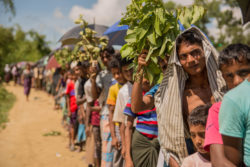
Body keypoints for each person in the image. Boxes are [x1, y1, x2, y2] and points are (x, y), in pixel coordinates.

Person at [132, 27, 226, 166]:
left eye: (195, 53)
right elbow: (137, 107)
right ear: (178, 61)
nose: (191, 60)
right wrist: (140, 71)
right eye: (184, 56)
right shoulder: (172, 92)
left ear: (204, 52)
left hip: (227, 153)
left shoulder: (223, 83)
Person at [203, 44, 250, 167]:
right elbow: (220, 162)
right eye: (229, 76)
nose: (237, 81)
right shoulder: (217, 110)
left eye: (244, 73)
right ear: (223, 77)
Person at [124, 77, 160, 167]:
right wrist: (128, 158)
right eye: (143, 76)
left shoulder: (163, 95)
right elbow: (128, 127)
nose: (147, 80)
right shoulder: (134, 100)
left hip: (160, 145)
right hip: (140, 145)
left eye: (149, 75)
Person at [90, 46, 115, 167]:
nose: (105, 60)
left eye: (107, 56)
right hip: (106, 114)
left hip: (121, 114)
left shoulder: (121, 72)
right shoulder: (101, 75)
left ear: (113, 56)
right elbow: (96, 95)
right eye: (102, 57)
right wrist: (93, 80)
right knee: (106, 147)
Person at [112, 58, 133, 166]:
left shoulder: (147, 86)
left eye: (131, 69)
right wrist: (124, 146)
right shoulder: (122, 92)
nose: (129, 73)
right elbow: (121, 122)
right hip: (129, 134)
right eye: (125, 71)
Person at [106, 57, 127, 167]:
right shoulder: (113, 89)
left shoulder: (132, 86)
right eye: (114, 74)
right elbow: (111, 113)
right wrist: (113, 136)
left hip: (130, 128)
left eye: (119, 73)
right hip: (119, 129)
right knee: (118, 158)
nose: (117, 76)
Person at [85, 62, 102, 167]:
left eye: (95, 68)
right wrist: (87, 124)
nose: (93, 70)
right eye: (91, 68)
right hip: (96, 120)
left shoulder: (103, 80)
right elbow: (89, 105)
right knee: (97, 145)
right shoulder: (88, 85)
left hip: (105, 119)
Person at [65, 69, 78, 151]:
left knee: (76, 126)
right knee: (72, 126)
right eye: (72, 76)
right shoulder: (70, 85)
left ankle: (73, 140)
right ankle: (72, 142)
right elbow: (68, 97)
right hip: (72, 108)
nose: (74, 77)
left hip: (78, 108)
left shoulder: (79, 84)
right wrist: (69, 109)